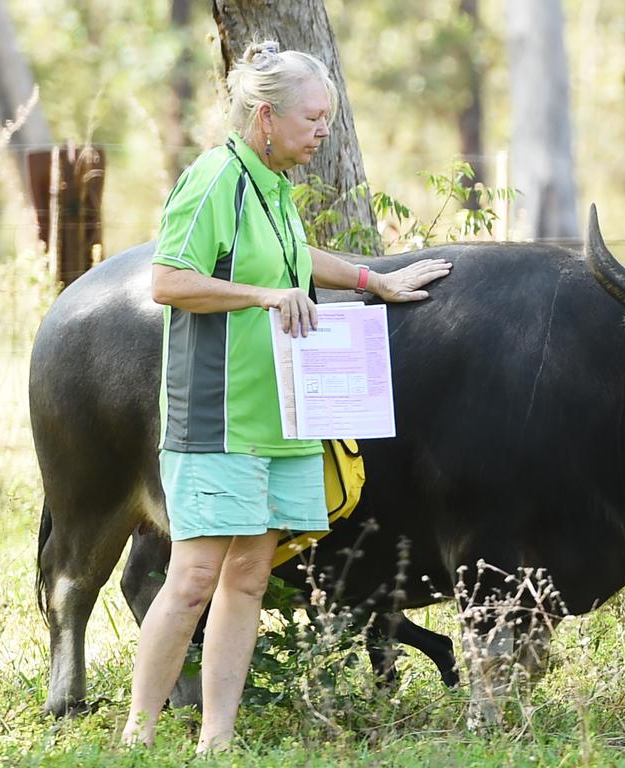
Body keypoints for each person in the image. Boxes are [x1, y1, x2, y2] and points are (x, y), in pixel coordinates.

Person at [121, 41, 451, 752]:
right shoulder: (214, 181)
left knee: (245, 579)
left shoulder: (273, 184)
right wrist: (264, 296)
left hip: (287, 417)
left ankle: (217, 740)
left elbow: (297, 261)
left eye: (328, 117)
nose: (323, 131)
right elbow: (168, 281)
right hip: (217, 419)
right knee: (193, 580)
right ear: (265, 116)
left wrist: (373, 281)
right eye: (313, 118)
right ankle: (135, 737)